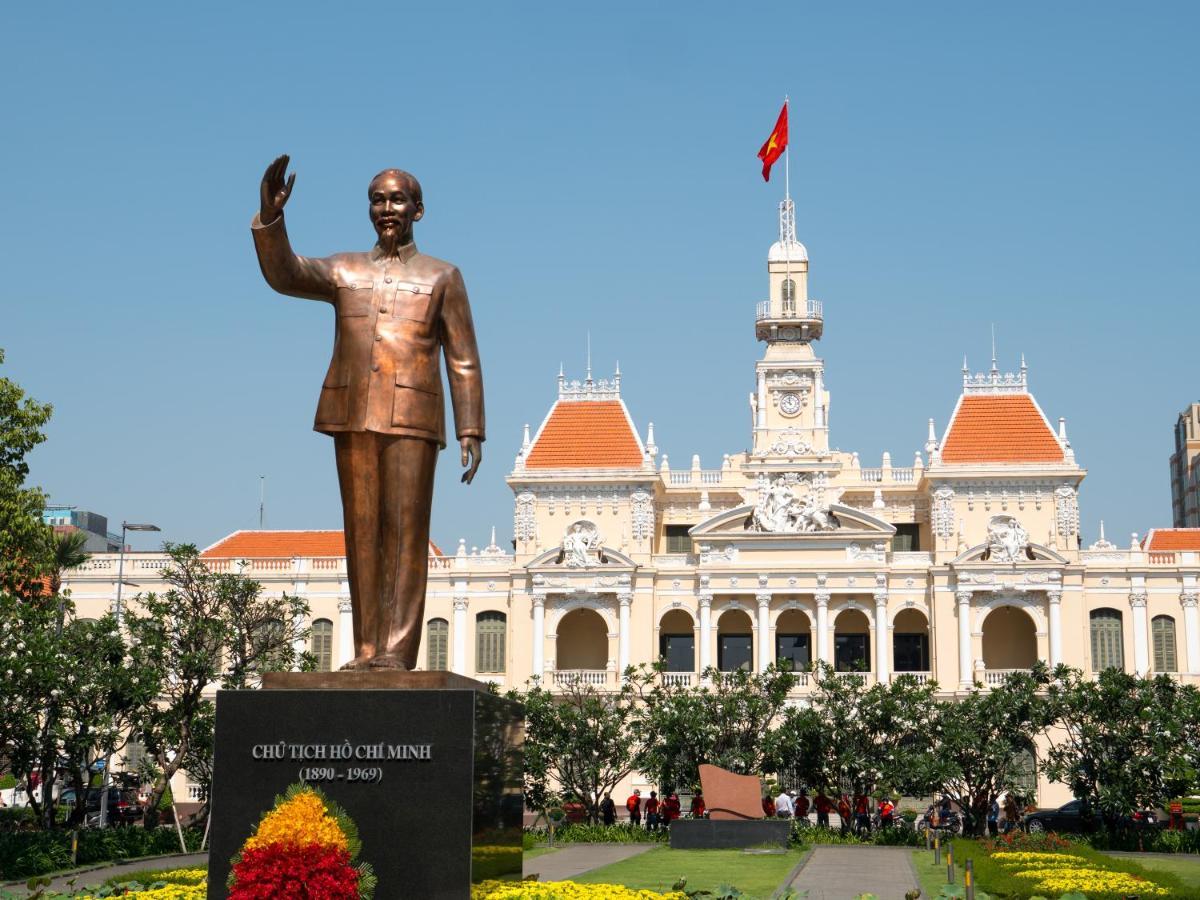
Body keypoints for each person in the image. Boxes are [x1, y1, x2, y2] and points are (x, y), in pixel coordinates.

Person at [252, 158, 485, 670]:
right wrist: (272, 219)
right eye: (378, 199)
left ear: (418, 211)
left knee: (405, 535)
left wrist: (471, 427)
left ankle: (397, 653)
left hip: (413, 418)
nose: (387, 208)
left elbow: (462, 357)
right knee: (361, 535)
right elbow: (286, 272)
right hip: (351, 412)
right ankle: (365, 650)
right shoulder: (344, 269)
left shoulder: (443, 276)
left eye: (397, 199)